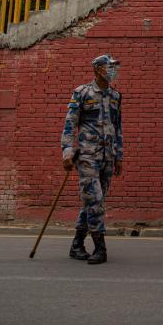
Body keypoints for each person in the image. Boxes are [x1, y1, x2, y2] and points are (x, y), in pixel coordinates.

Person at [61, 54, 123, 264]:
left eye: (114, 67)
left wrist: (119, 156)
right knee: (95, 201)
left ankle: (77, 245)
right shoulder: (82, 92)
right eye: (109, 67)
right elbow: (70, 124)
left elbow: (118, 127)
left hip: (108, 156)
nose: (113, 70)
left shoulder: (115, 96)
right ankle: (100, 248)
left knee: (93, 202)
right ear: (97, 69)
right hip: (87, 156)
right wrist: (67, 151)